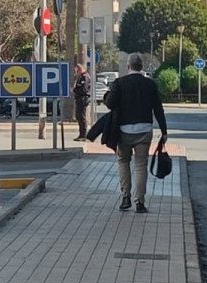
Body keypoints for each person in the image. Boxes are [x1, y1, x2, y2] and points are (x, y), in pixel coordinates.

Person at [105, 52, 168, 214]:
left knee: (123, 161)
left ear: (128, 66)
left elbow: (110, 104)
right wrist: (164, 131)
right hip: (144, 130)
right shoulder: (150, 84)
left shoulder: (120, 83)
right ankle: (140, 202)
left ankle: (125, 197)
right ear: (142, 67)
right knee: (141, 165)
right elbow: (158, 109)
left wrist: (107, 95)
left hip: (124, 131)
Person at [72, 64, 92, 141]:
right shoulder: (81, 77)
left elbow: (83, 89)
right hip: (79, 98)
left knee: (81, 117)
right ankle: (81, 134)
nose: (76, 73)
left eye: (77, 71)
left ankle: (83, 135)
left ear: (80, 70)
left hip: (83, 98)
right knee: (79, 117)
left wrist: (74, 90)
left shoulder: (85, 77)